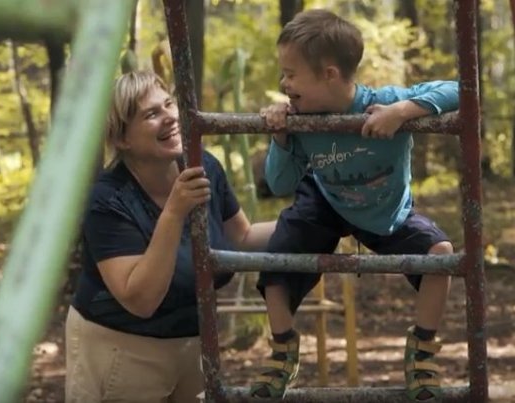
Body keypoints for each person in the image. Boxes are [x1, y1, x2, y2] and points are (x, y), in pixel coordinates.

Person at [251, 9, 459, 402]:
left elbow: (462, 89)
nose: (284, 83)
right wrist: (281, 133)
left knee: (441, 254)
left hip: (383, 206)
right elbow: (279, 184)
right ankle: (282, 348)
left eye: (291, 74)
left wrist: (405, 112)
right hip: (324, 199)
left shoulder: (385, 102)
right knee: (276, 260)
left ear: (329, 73)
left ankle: (422, 352)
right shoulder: (301, 117)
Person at [65, 70, 275, 403]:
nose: (170, 117)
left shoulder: (203, 164)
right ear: (122, 139)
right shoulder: (107, 199)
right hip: (121, 347)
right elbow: (141, 300)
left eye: (168, 104)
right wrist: (175, 212)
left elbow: (242, 237)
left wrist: (314, 223)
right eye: (151, 114)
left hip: (195, 342)